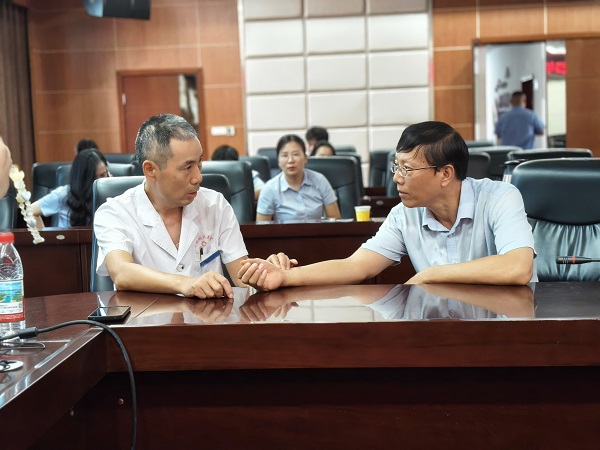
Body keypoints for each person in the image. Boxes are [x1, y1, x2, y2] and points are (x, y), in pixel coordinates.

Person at [240, 121, 536, 288]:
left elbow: (518, 267)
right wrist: (286, 277)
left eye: (407, 169)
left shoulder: (500, 197)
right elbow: (355, 266)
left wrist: (432, 274)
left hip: (508, 327)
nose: (396, 178)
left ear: (445, 174)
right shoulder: (403, 215)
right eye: (396, 166)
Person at [93, 113, 295, 300]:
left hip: (208, 322)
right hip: (145, 323)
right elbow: (121, 272)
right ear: (150, 170)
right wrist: (185, 284)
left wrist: (263, 274)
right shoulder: (115, 212)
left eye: (199, 163)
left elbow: (242, 278)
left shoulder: (215, 205)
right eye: (187, 167)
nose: (198, 177)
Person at [256, 134, 341, 222]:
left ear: (305, 158)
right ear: (278, 161)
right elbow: (262, 227)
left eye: (295, 154)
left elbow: (334, 219)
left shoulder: (320, 180)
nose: (290, 160)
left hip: (317, 231)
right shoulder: (270, 188)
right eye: (284, 155)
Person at [31, 148, 110, 228]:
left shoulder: (112, 192)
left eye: (103, 175)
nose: (100, 181)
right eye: (94, 177)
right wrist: (42, 235)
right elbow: (31, 211)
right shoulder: (64, 194)